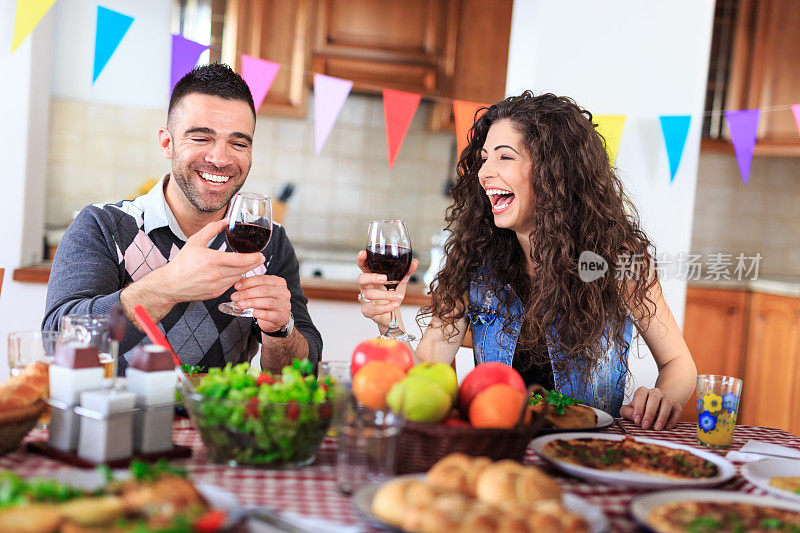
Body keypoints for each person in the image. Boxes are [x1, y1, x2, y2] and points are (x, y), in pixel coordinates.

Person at [357, 92, 696, 431]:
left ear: (554, 172)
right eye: (484, 158)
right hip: (499, 450)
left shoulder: (617, 260)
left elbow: (679, 363)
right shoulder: (473, 261)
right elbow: (426, 376)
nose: (484, 172)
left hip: (585, 454)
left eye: (505, 157)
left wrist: (665, 397)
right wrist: (389, 324)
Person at [43, 64, 321, 375]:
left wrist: (280, 332)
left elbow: (302, 370)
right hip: (119, 420)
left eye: (239, 143)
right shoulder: (102, 226)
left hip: (216, 422)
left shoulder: (271, 241)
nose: (220, 158)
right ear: (166, 143)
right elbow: (58, 340)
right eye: (201, 138)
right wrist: (167, 286)